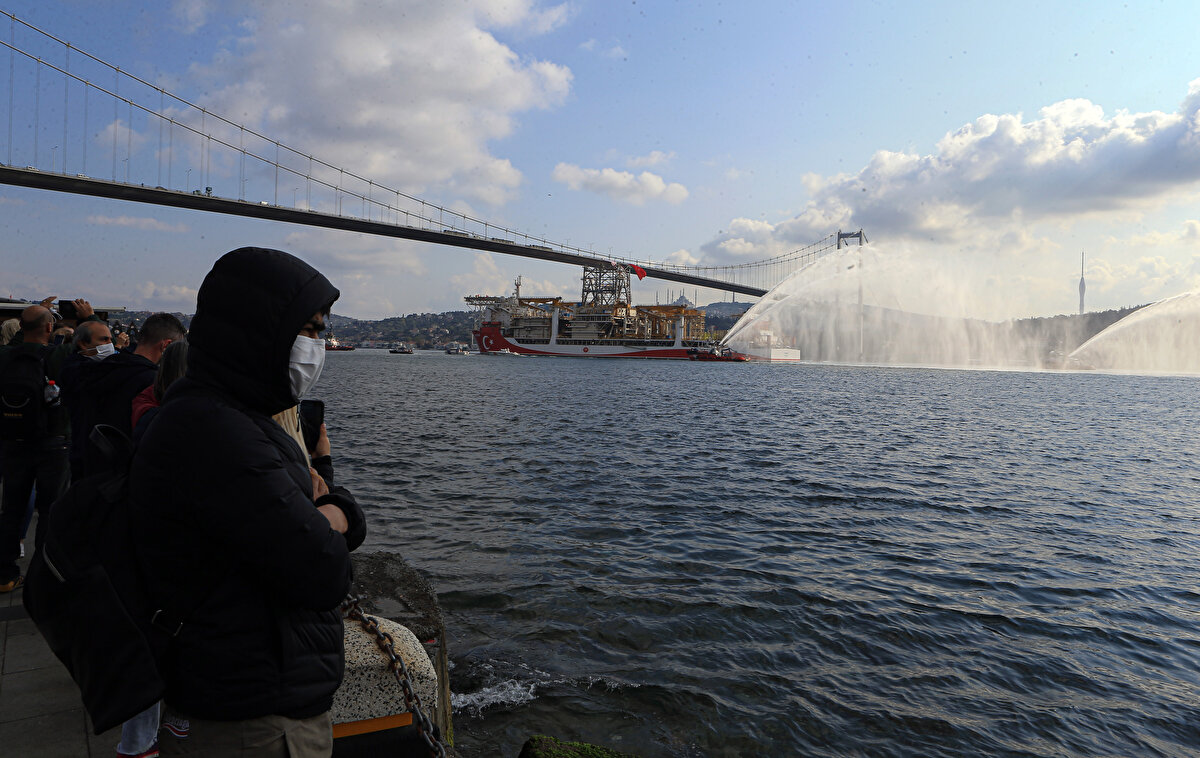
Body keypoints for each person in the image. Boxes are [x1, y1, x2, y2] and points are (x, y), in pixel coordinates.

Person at [130, 247, 366, 756]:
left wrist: (325, 510)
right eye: (308, 329)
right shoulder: (218, 432)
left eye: (321, 330)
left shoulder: (224, 416)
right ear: (258, 330)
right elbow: (323, 571)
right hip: (253, 722)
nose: (317, 345)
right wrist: (339, 509)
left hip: (244, 693)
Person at [0, 300, 99, 592]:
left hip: (13, 439)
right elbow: (94, 348)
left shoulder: (5, 355)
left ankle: (4, 574)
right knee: (50, 510)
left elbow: (17, 343)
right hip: (54, 440)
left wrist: (30, 318)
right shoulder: (60, 355)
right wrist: (89, 317)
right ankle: (42, 575)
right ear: (49, 327)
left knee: (11, 509)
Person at [70, 313, 185, 477]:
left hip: (85, 466)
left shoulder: (102, 368)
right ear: (166, 345)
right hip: (122, 473)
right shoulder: (152, 384)